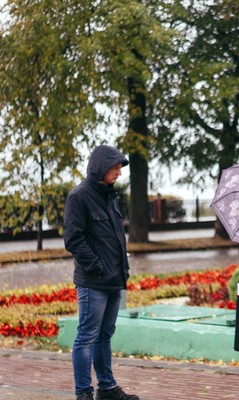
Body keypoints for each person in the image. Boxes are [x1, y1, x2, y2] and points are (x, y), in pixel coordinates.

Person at [63, 145, 139, 400]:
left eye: (120, 168)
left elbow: (115, 238)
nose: (119, 172)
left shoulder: (110, 196)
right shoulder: (79, 197)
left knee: (104, 336)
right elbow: (73, 239)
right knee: (86, 336)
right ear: (101, 168)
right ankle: (83, 393)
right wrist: (97, 267)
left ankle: (106, 388)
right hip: (93, 282)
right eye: (115, 167)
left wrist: (120, 271)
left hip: (114, 280)